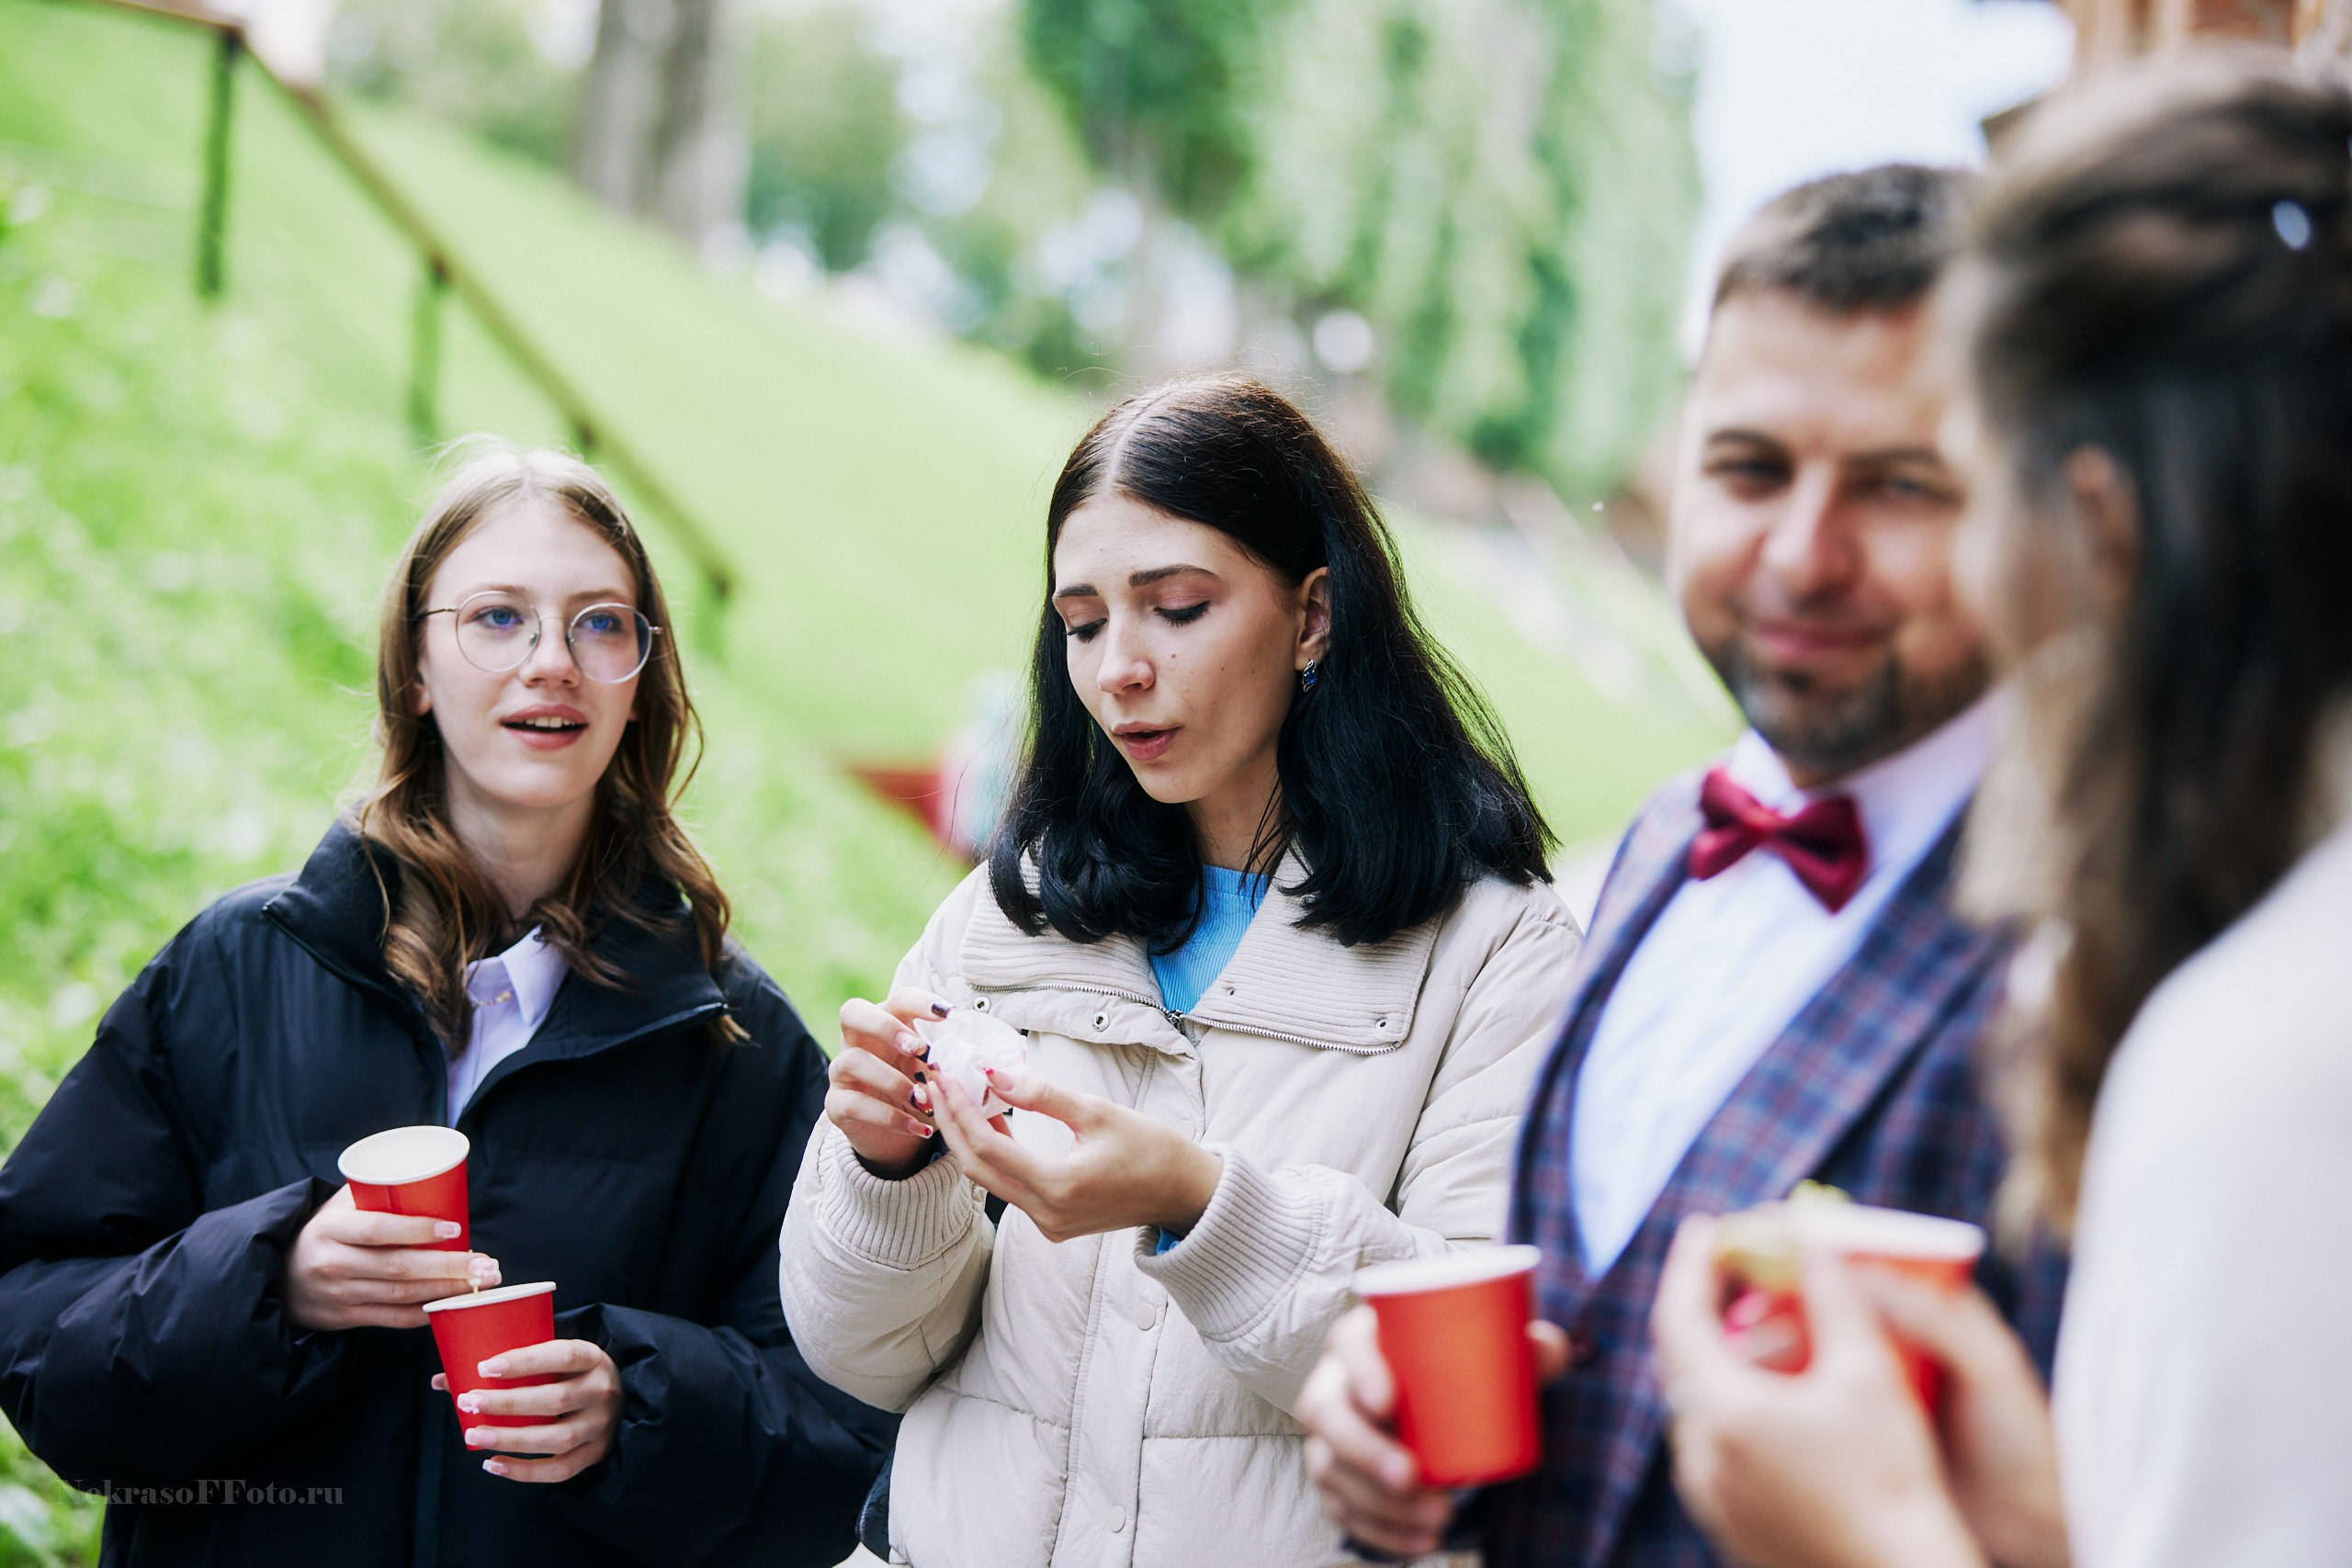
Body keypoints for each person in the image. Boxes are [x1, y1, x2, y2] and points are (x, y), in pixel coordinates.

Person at [1295, 165, 2071, 1566]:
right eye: (1750, 467)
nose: (1801, 553)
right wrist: (1409, 1432)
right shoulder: (1661, 835)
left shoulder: (2109, 934)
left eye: (1901, 485)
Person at [1650, 52, 2352, 1568]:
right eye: (1749, 465)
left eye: (1935, 483)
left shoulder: (2268, 1056)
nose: (1809, 555)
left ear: (2095, 523)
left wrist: (1889, 1542)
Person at [0, 446, 893, 1567]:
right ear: (415, 668)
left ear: (641, 685)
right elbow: (36, 1334)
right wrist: (274, 1283)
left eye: (600, 624)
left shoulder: (733, 1043)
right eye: (497, 618)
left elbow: (847, 1426)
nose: (551, 662)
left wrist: (638, 1409)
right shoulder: (236, 967)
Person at [779, 376, 1580, 1568]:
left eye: (1178, 608)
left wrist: (1202, 1203)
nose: (1119, 668)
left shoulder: (1498, 952)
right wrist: (888, 1170)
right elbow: (863, 1356)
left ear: (1313, 616)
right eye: (1083, 621)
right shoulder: (1007, 911)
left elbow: (1468, 1393)